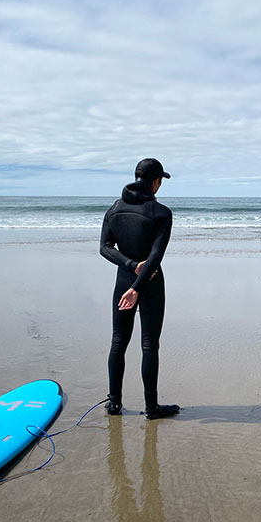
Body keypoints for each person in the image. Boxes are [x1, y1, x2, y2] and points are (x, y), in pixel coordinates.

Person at [100, 158, 180, 420]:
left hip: (122, 281)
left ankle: (114, 404)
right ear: (155, 182)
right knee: (149, 345)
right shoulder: (161, 213)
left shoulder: (114, 209)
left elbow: (105, 248)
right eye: (160, 181)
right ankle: (152, 408)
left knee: (118, 341)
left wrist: (130, 266)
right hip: (150, 283)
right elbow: (156, 256)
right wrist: (138, 285)